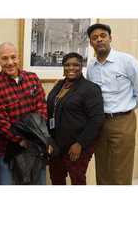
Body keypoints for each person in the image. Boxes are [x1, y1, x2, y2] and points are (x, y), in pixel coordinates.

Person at [86, 23, 138, 185]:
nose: (99, 39)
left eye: (103, 36)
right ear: (91, 43)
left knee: (120, 172)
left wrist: (127, 108)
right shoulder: (91, 66)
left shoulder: (127, 61)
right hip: (99, 122)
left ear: (110, 38)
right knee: (102, 168)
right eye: (95, 38)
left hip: (123, 122)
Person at [0, 42, 47, 185]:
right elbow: (1, 121)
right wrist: (22, 140)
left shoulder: (33, 78)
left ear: (19, 57)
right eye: (4, 58)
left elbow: (42, 107)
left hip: (35, 145)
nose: (10, 62)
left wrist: (33, 140)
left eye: (13, 57)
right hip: (7, 148)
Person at [47, 52, 104, 185]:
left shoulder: (90, 89)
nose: (71, 68)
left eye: (75, 65)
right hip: (56, 144)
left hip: (76, 146)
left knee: (77, 180)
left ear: (81, 66)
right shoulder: (59, 85)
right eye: (67, 65)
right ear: (63, 67)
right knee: (56, 179)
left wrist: (80, 143)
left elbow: (97, 119)